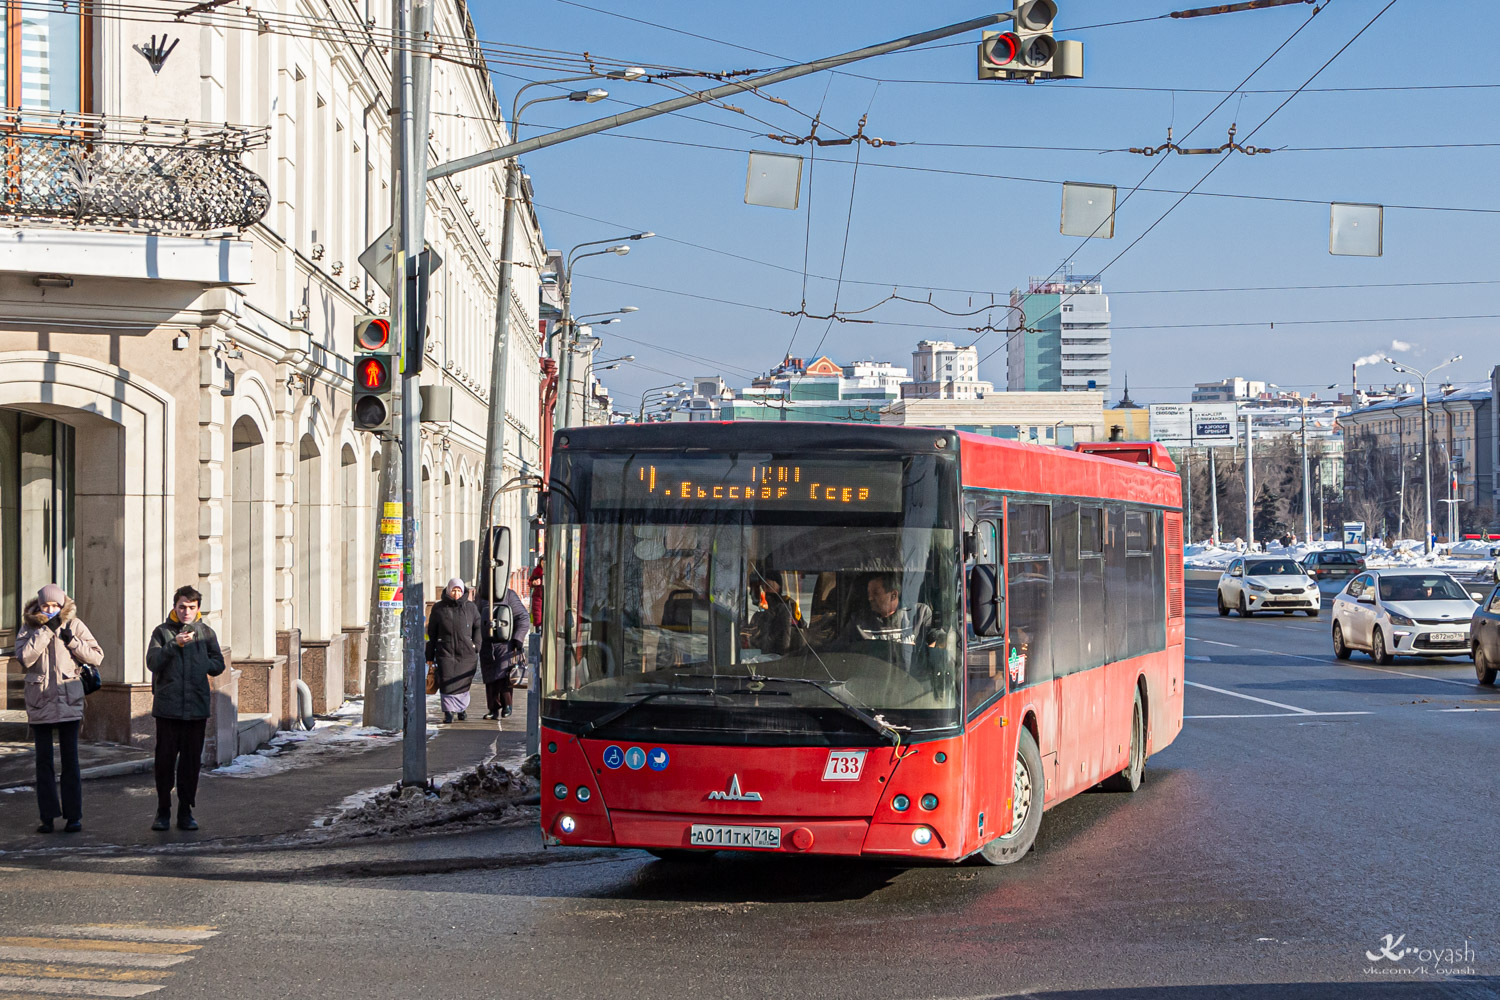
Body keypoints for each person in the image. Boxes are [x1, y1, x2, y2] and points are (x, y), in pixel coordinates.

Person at [16, 583, 104, 834]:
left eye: (55, 605)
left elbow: (97, 656)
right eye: (46, 606)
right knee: (43, 763)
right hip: (40, 701)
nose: (51, 610)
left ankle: (73, 816)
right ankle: (47, 817)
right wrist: (45, 632)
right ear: (39, 605)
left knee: (70, 762)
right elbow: (25, 658)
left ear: (63, 604)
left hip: (69, 700)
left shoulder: (75, 624)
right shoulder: (29, 626)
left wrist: (72, 642)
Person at [146, 586, 226, 832]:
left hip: (196, 708)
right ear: (175, 607)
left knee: (191, 762)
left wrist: (202, 661)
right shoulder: (162, 632)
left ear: (198, 609)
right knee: (165, 761)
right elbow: (152, 662)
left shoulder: (206, 633)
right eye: (182, 607)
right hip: (168, 708)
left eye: (191, 607)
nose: (186, 612)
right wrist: (174, 646)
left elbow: (218, 665)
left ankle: (185, 810)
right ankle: (162, 810)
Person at [839, 572, 933, 672]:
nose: (870, 598)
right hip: (871, 682)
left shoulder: (920, 614)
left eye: (875, 593)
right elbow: (841, 652)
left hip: (912, 682)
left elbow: (935, 644)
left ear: (893, 595)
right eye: (869, 593)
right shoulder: (858, 622)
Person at [427, 577, 482, 723]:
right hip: (445, 652)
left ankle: (461, 708)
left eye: (459, 590)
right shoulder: (439, 608)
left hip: (466, 653)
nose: (456, 594)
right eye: (454, 590)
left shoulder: (471, 607)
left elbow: (478, 627)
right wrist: (429, 655)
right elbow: (431, 633)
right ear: (449, 590)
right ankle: (448, 712)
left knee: (463, 681)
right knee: (446, 681)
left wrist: (476, 645)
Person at [479, 584, 530, 720]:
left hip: (505, 642)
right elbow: (475, 618)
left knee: (505, 675)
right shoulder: (481, 596)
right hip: (487, 643)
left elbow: (523, 618)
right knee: (490, 677)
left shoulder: (509, 595)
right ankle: (493, 708)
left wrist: (518, 638)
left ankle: (507, 705)